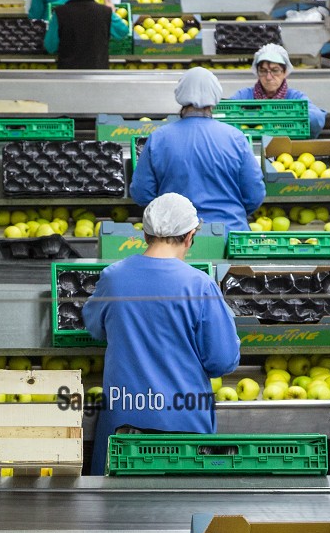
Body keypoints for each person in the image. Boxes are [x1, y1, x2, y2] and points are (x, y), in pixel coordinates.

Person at [82, 193, 242, 475]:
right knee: (181, 509)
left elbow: (95, 327)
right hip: (185, 425)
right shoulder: (199, 285)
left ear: (145, 234)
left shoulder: (113, 278)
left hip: (124, 424)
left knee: (116, 511)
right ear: (190, 235)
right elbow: (222, 361)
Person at [130, 67, 265, 231]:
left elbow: (141, 193)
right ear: (215, 99)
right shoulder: (236, 138)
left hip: (175, 237)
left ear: (180, 96)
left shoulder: (158, 138)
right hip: (229, 235)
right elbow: (254, 193)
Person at [223, 44, 327, 138]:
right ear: (257, 72)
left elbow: (317, 119)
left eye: (275, 70)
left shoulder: (295, 97)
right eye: (263, 71)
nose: (268, 77)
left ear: (285, 72)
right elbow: (224, 116)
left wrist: (284, 114)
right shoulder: (244, 96)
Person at [43, 0, 131, 70]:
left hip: (68, 74)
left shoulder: (59, 13)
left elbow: (50, 46)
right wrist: (112, 13)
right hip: (98, 73)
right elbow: (122, 32)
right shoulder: (104, 12)